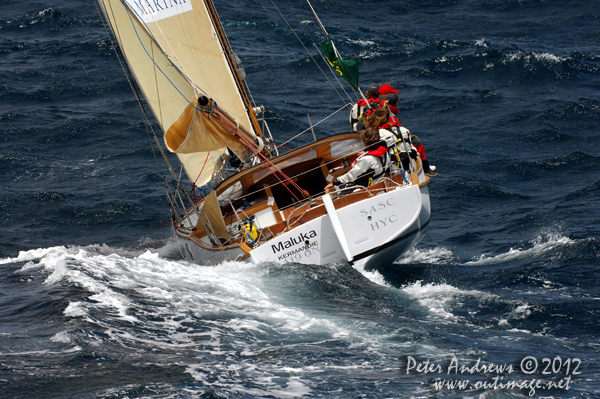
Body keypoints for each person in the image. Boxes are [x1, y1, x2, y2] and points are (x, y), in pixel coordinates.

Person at [324, 128, 389, 192]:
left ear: (365, 142)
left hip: (365, 187)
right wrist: (365, 153)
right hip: (378, 182)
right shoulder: (384, 153)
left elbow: (351, 175)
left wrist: (334, 183)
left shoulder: (366, 160)